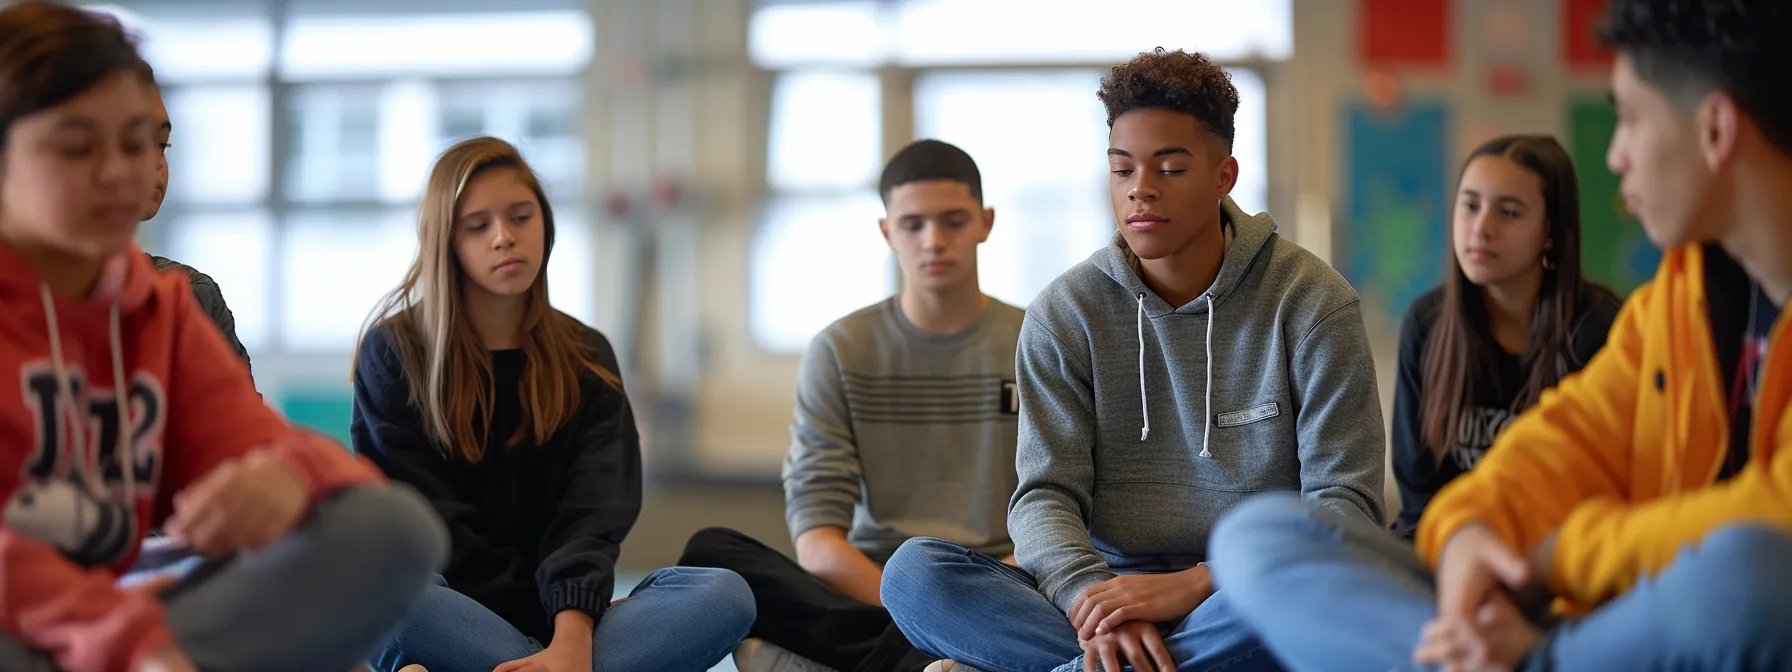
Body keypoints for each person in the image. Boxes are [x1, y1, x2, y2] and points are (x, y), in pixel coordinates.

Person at [1210, 1, 1792, 670]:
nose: (1615, 155)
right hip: (1554, 606)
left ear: (1715, 129)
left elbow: (1773, 519)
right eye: (1472, 205)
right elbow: (1567, 438)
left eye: (1629, 118)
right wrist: (1469, 535)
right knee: (1261, 535)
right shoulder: (1679, 298)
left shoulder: (1598, 316)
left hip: (1662, 606)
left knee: (1751, 572)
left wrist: (1551, 558)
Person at [881, 48, 1386, 672]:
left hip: (1244, 590)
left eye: (1170, 168)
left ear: (1224, 175)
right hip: (1106, 594)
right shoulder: (1065, 313)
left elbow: (1347, 507)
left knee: (1319, 592)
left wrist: (1199, 582)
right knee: (914, 576)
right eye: (1122, 170)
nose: (1140, 190)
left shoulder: (1312, 303)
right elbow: (1044, 496)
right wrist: (1090, 600)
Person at [0, 3, 447, 671]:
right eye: (78, 147)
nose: (124, 173)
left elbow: (273, 444)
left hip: (119, 620)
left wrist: (287, 478)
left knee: (389, 529)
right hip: (31, 625)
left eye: (140, 143)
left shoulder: (160, 309)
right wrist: (133, 641)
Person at [354, 136, 754, 672]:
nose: (504, 238)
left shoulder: (586, 355)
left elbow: (592, 516)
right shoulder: (395, 352)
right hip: (452, 605)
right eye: (478, 225)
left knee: (725, 594)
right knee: (385, 591)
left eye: (520, 216)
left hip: (568, 615)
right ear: (445, 240)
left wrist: (570, 634)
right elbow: (423, 522)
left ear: (545, 224)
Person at [678, 139, 1024, 672]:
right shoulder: (841, 350)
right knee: (712, 552)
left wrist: (962, 601)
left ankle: (857, 656)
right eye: (913, 225)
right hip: (875, 584)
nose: (933, 241)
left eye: (953, 221)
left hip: (999, 582)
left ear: (985, 222)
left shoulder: (1038, 340)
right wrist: (916, 610)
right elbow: (817, 539)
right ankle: (920, 653)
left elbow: (1063, 511)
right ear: (888, 232)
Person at [1390, 135, 1623, 539]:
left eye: (1510, 213)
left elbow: (1602, 490)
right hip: (1447, 550)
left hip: (1557, 556)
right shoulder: (1426, 324)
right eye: (1470, 205)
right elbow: (1419, 496)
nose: (1482, 228)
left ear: (1551, 232)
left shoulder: (1599, 329)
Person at [133, 60, 252, 374]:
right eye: (134, 142)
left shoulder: (189, 295)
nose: (157, 162)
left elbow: (237, 421)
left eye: (162, 145)